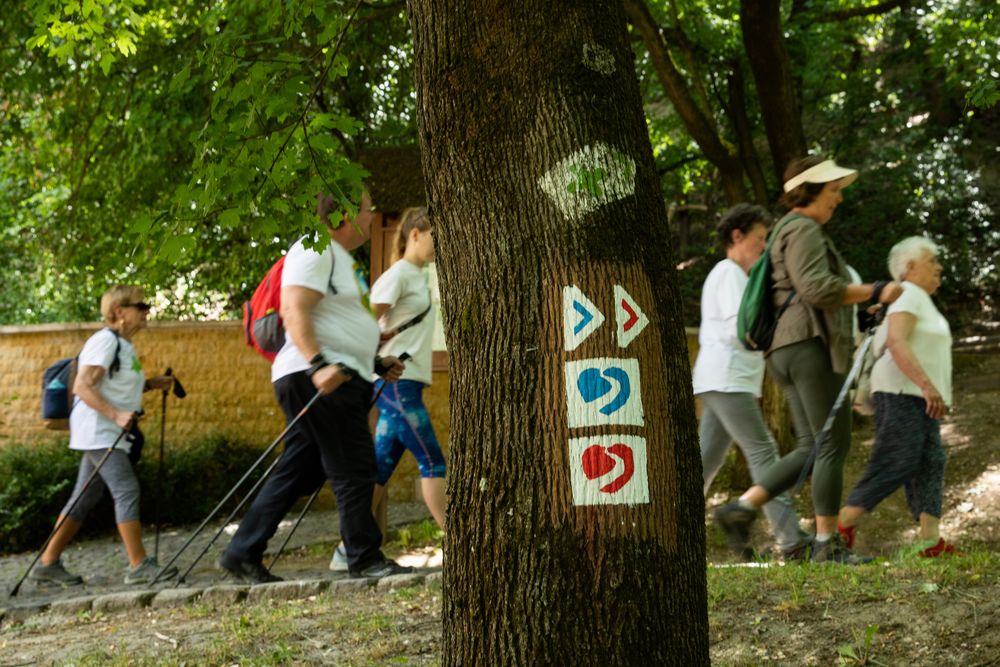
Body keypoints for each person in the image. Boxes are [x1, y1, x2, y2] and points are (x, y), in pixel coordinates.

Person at [713, 156, 903, 564]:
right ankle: (826, 545)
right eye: (833, 190)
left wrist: (860, 307)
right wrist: (876, 291)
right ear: (810, 191)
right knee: (833, 442)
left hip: (787, 348)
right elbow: (817, 288)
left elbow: (805, 292)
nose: (838, 199)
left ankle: (742, 508)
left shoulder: (787, 231)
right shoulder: (803, 229)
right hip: (807, 346)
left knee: (811, 445)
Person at [218, 192, 412, 583]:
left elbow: (335, 324)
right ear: (342, 214)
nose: (373, 216)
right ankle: (364, 557)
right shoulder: (314, 246)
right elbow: (293, 307)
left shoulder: (341, 259)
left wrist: (372, 362)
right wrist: (318, 364)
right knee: (355, 466)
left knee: (298, 470)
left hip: (335, 374)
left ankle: (242, 551)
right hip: (319, 377)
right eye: (366, 209)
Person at [28, 286, 178, 586]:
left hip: (105, 431)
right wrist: (116, 415)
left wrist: (148, 384)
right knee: (126, 490)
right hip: (101, 431)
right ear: (119, 312)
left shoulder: (122, 345)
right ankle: (138, 566)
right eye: (141, 305)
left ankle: (47, 564)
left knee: (84, 497)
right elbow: (82, 386)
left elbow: (112, 384)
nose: (146, 311)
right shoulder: (105, 342)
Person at [330, 207, 446, 571]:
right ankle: (464, 544)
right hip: (396, 384)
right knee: (433, 461)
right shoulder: (398, 276)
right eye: (433, 236)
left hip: (403, 383)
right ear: (414, 234)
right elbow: (365, 318)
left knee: (379, 470)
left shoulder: (415, 275)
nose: (436, 245)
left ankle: (346, 549)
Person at [694, 204, 811, 561]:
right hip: (727, 378)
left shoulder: (736, 276)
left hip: (722, 379)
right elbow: (740, 329)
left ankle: (670, 530)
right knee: (764, 453)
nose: (764, 246)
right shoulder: (729, 273)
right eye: (760, 239)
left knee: (703, 464)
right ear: (737, 236)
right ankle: (791, 542)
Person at [838, 237, 958, 557]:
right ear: (909, 267)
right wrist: (927, 386)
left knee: (931, 461)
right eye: (931, 260)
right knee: (897, 459)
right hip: (903, 391)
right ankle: (842, 527)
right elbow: (897, 342)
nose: (939, 266)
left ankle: (929, 541)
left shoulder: (917, 298)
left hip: (918, 395)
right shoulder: (908, 293)